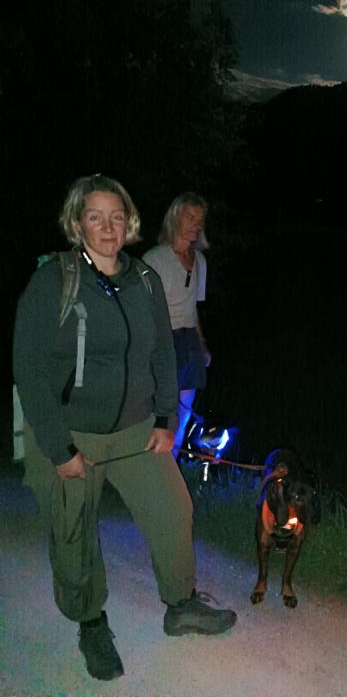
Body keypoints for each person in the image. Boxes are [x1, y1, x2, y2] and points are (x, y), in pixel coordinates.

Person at [12, 175, 236, 683]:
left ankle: (180, 604)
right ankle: (90, 622)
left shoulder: (144, 280)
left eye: (117, 216)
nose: (108, 227)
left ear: (129, 221)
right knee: (73, 533)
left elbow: (161, 352)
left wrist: (165, 418)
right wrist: (58, 447)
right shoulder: (54, 281)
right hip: (70, 431)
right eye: (96, 217)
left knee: (173, 508)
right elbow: (28, 367)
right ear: (77, 223)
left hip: (137, 428)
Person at [143, 192, 211, 459]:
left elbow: (193, 307)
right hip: (163, 338)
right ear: (175, 218)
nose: (196, 224)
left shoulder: (200, 261)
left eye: (200, 219)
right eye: (190, 217)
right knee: (163, 409)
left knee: (185, 409)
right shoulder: (155, 259)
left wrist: (202, 345)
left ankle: (171, 463)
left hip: (189, 340)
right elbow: (144, 309)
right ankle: (152, 464)